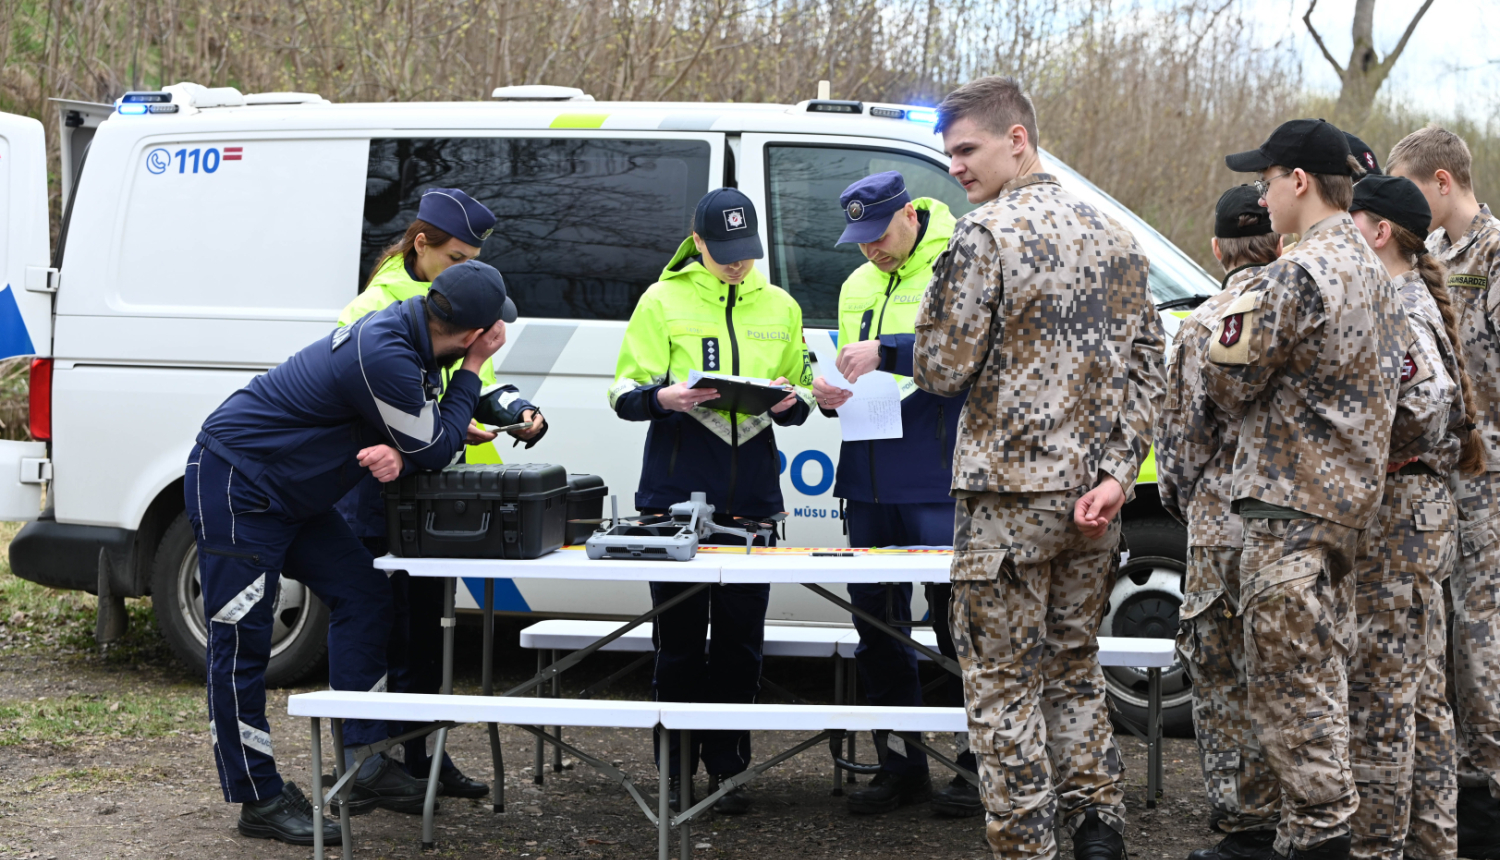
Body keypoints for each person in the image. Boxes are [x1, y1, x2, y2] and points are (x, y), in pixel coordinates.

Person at [912, 75, 1166, 860]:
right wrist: (1120, 475)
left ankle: (1025, 843)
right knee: (1072, 665)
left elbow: (939, 368)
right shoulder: (1118, 239)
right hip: (1093, 501)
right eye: (948, 152)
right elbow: (1151, 364)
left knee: (999, 682)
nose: (954, 166)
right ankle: (1097, 829)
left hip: (1006, 503)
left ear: (1016, 140)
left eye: (966, 149)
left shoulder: (983, 238)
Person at [189, 260, 513, 845]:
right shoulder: (388, 349)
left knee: (365, 595)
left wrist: (434, 429)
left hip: (294, 493)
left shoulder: (412, 339)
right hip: (239, 482)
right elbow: (435, 447)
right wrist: (473, 370)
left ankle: (363, 764)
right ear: (469, 332)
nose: (491, 340)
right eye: (488, 333)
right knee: (241, 641)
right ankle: (256, 797)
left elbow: (420, 433)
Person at [1208, 118, 1408, 860]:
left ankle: (1320, 841)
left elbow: (1230, 384)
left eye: (1266, 180)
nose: (1261, 195)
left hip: (1287, 516)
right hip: (1342, 516)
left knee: (1293, 710)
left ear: (1299, 181)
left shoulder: (1296, 274)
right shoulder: (1375, 271)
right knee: (1320, 697)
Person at [607, 187, 814, 815]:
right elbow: (621, 392)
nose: (736, 263)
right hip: (673, 504)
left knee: (740, 644)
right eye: (723, 251)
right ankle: (675, 774)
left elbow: (802, 395)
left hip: (752, 502)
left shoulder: (780, 305)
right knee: (677, 643)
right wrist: (661, 399)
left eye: (746, 252)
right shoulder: (660, 299)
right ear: (697, 242)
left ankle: (727, 771)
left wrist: (790, 400)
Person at [336, 187, 545, 800]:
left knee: (427, 630)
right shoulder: (374, 307)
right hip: (375, 490)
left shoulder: (457, 295)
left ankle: (423, 756)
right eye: (456, 257)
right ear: (420, 244)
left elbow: (477, 379)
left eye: (472, 257)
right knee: (381, 628)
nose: (465, 269)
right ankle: (369, 763)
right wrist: (441, 419)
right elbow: (357, 396)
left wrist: (519, 410)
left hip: (428, 493)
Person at [810, 170, 975, 817]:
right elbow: (850, 368)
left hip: (936, 474)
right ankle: (900, 762)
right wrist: (827, 396)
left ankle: (976, 764)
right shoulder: (856, 283)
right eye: (859, 239)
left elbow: (963, 356)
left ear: (910, 214)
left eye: (879, 234)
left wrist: (890, 351)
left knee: (958, 625)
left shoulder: (958, 266)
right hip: (867, 476)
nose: (871, 249)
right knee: (877, 625)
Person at [1347, 173, 1479, 860]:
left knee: (1382, 696)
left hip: (1400, 513)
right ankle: (1431, 843)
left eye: (1350, 224)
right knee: (1421, 696)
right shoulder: (1409, 295)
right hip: (1414, 513)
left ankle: (1380, 846)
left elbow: (1427, 402)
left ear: (1375, 232)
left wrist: (1371, 449)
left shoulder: (1396, 301)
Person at [1156, 185, 1286, 860]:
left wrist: (1195, 504)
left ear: (1215, 248)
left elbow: (1175, 448)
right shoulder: (1306, 311)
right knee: (1295, 669)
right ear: (1282, 239)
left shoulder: (1202, 326)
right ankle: (1307, 811)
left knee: (1222, 672)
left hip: (1219, 528)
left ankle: (1244, 820)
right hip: (1297, 524)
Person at [1388, 125, 1500, 860]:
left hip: (1489, 477)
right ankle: (1458, 788)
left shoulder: (1493, 254)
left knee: (1483, 637)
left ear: (1440, 183)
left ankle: (1490, 787)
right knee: (1446, 635)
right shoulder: (1431, 260)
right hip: (1446, 479)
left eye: (1409, 188)